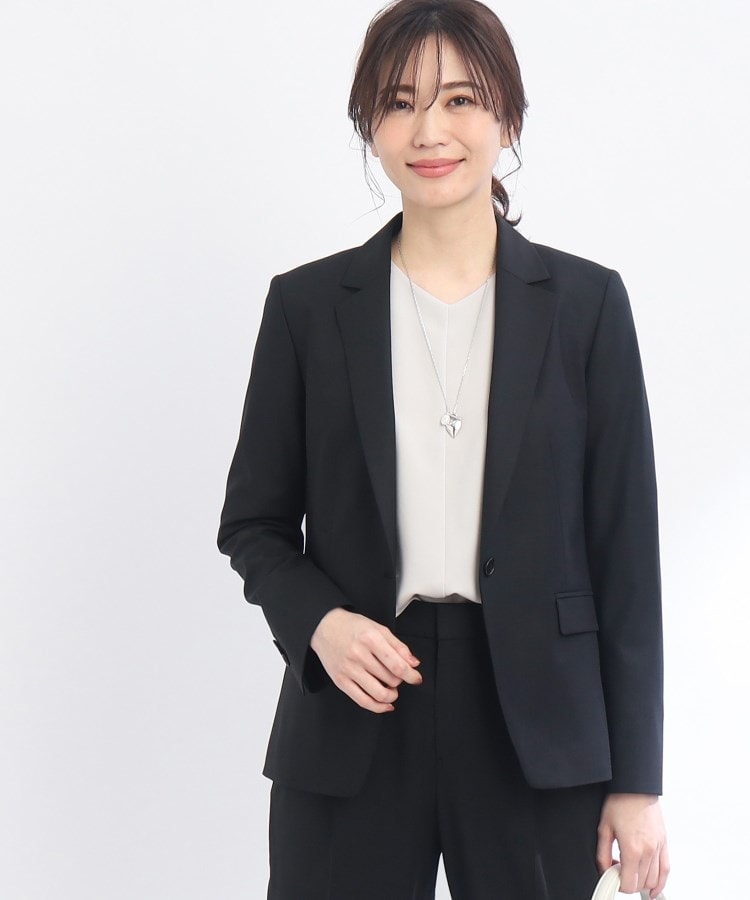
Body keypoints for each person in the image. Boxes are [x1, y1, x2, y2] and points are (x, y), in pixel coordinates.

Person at [217, 0, 669, 897]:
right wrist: (320, 623)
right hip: (355, 707)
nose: (429, 130)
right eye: (399, 102)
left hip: (537, 728)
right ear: (369, 125)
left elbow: (626, 556)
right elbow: (253, 525)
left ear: (508, 118)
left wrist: (638, 781)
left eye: (460, 99)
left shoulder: (586, 308)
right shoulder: (307, 308)